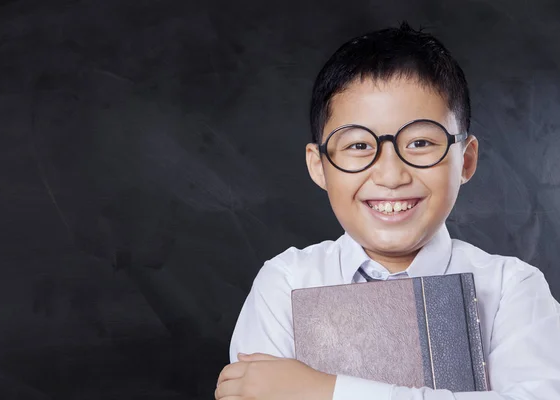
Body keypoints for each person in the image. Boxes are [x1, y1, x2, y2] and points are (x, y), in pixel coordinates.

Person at [215, 22, 560, 400]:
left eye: (420, 142)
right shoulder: (286, 282)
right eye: (359, 146)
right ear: (319, 166)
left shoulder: (512, 289)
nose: (391, 174)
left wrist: (326, 391)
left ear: (466, 160)